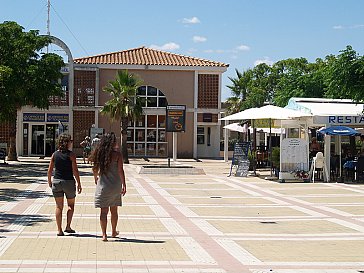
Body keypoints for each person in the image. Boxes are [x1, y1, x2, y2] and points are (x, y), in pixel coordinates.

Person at [91, 132, 126, 241]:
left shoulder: (99, 154)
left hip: (103, 186)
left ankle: (104, 234)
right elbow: (121, 170)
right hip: (115, 185)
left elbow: (95, 168)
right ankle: (114, 231)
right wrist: (124, 184)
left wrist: (95, 177)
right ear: (112, 142)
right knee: (114, 210)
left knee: (103, 211)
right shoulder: (117, 155)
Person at [47, 134, 82, 236]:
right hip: (69, 182)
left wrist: (49, 181)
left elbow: (49, 170)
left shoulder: (54, 155)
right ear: (67, 143)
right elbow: (75, 170)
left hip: (57, 181)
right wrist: (79, 183)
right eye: (70, 141)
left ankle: (59, 230)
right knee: (70, 205)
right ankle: (68, 226)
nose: (71, 143)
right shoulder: (71, 155)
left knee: (58, 206)